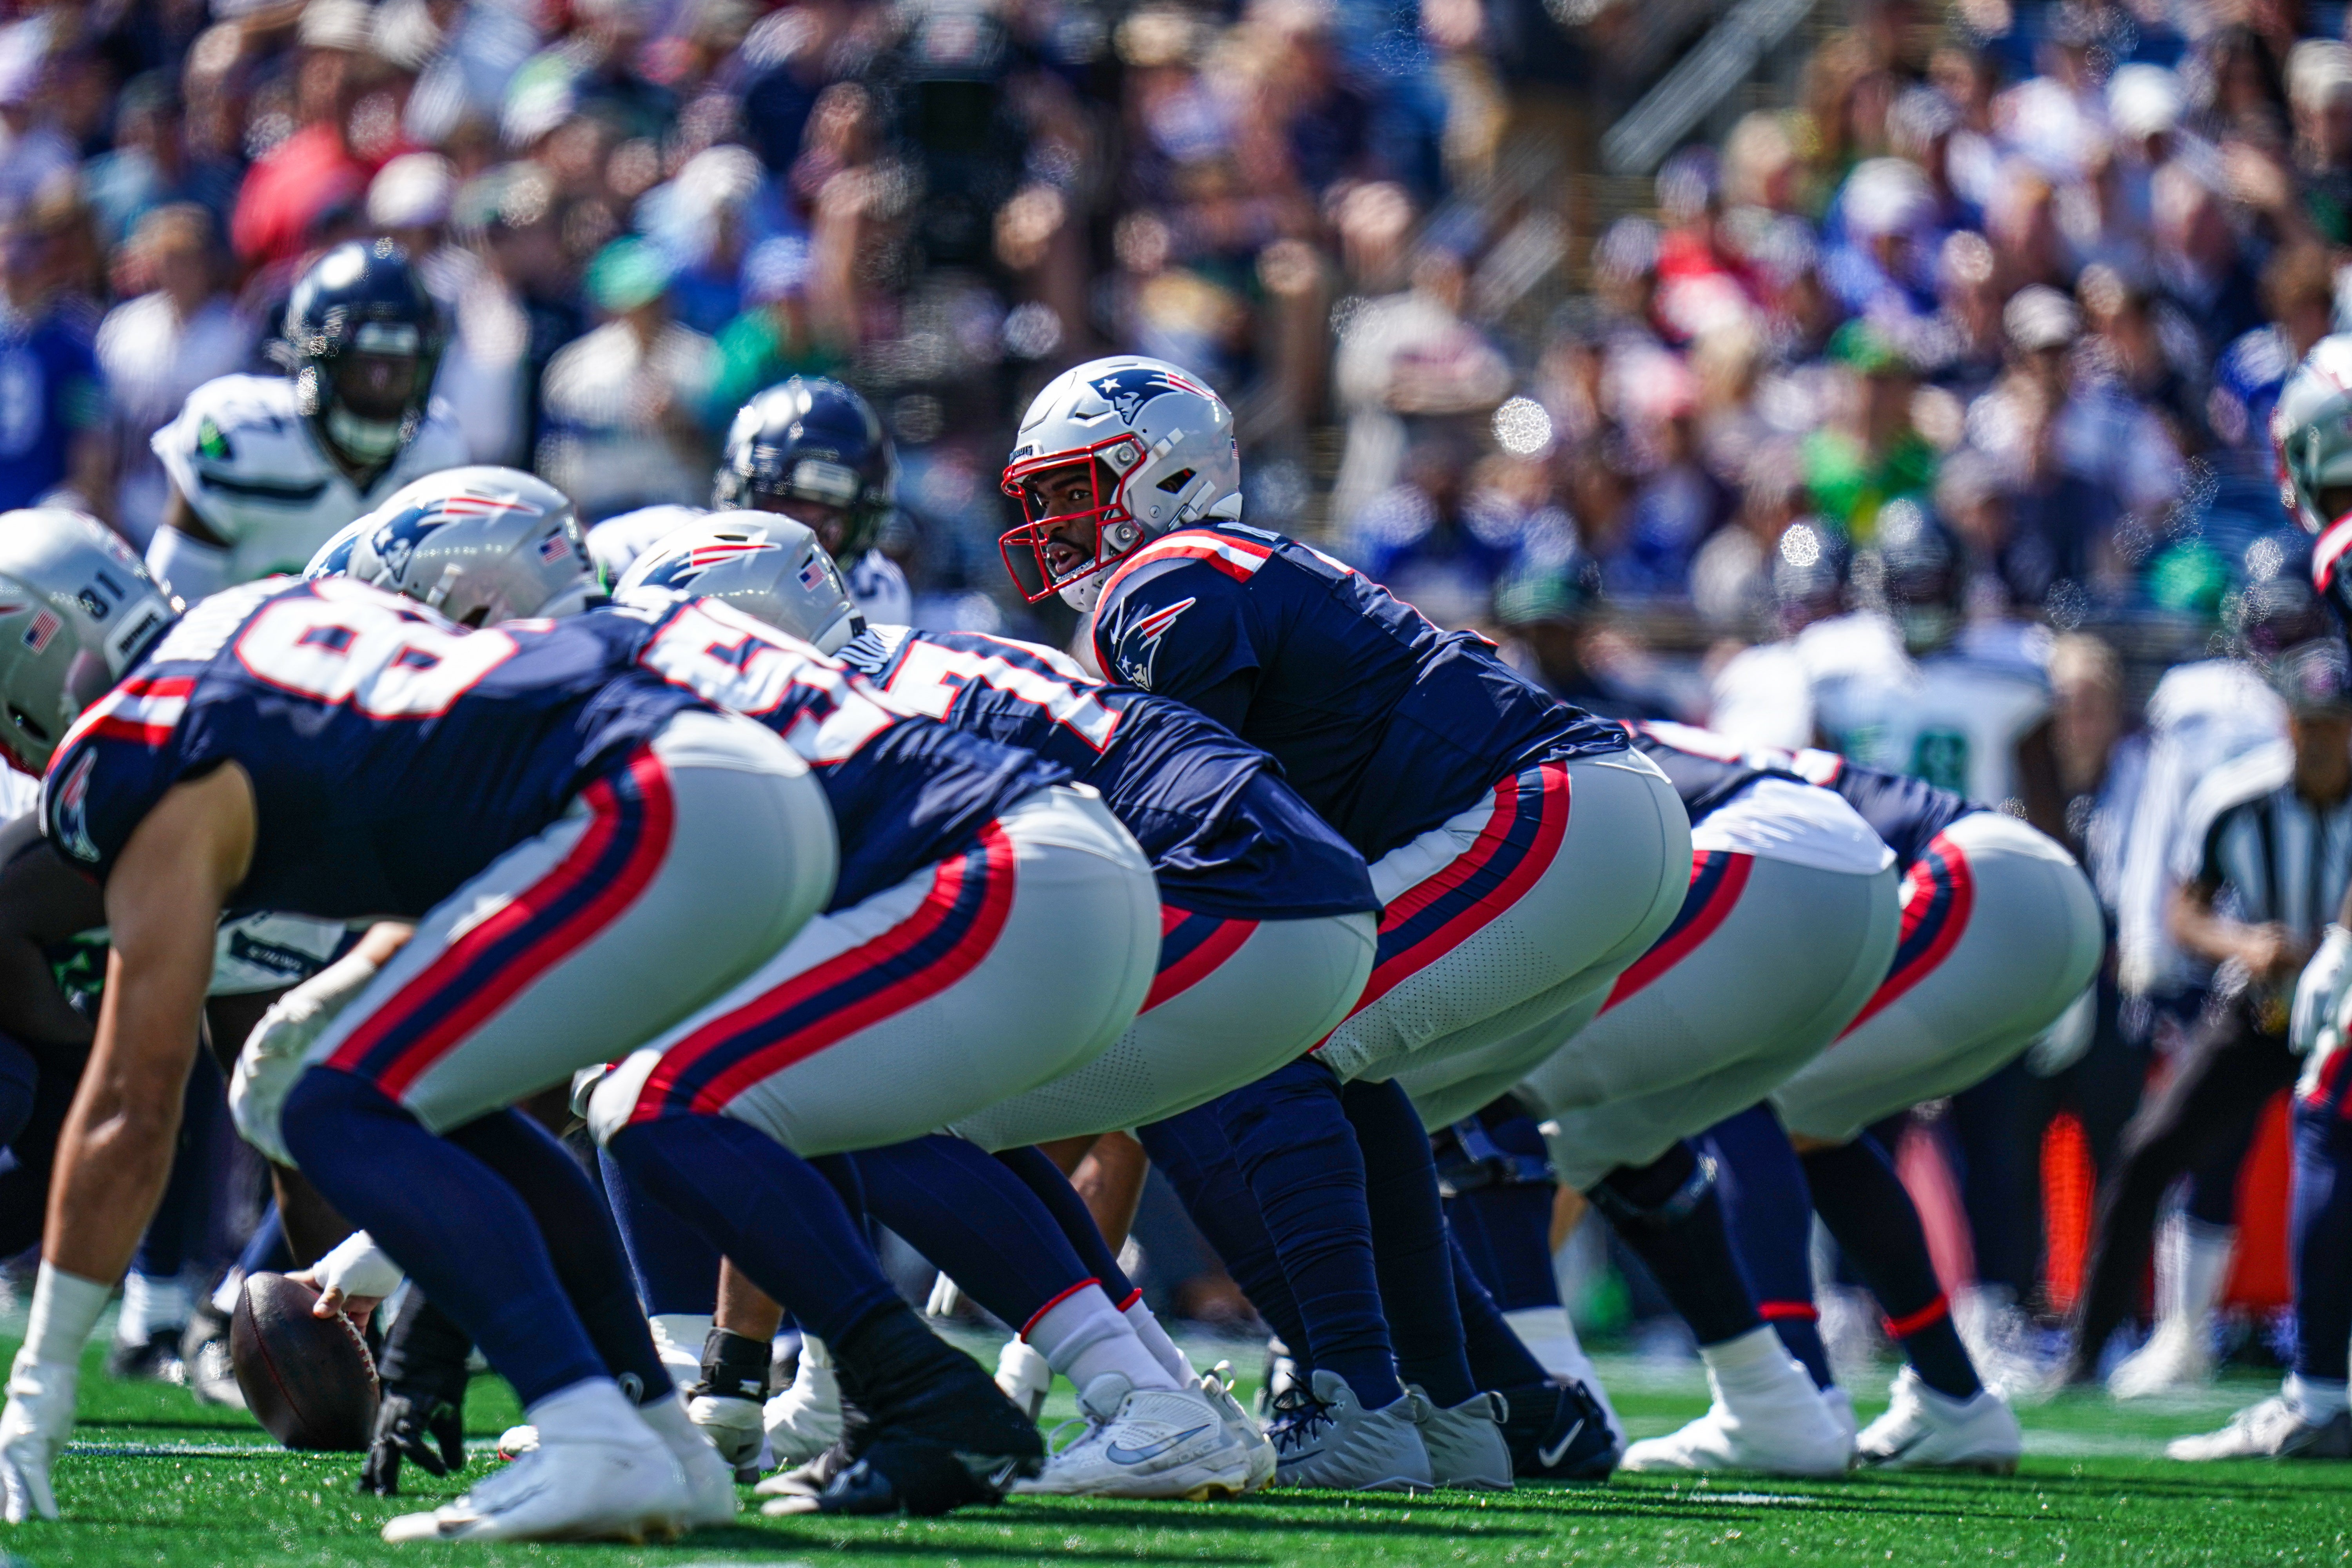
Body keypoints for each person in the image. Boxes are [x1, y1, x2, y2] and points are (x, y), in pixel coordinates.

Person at [0, 503, 840, 1539]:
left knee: (325, 1099)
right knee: (421, 1092)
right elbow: (450, 830)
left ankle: (588, 1427)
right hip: (758, 797)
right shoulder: (273, 618)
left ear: (36, 643)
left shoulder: (145, 738)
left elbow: (137, 1100)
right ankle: (664, 1441)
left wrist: (35, 1394)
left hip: (648, 809)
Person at [1002, 354, 1690, 1489]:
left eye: (1075, 491)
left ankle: (1355, 1400)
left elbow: (1178, 826)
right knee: (1338, 1071)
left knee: (1252, 1039)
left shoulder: (1170, 578)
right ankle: (1447, 1410)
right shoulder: (1237, 562)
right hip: (1579, 820)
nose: (1055, 525)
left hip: (1544, 816)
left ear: (1157, 477)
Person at [144, 238, 465, 599]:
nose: (381, 385)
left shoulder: (436, 448)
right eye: (365, 368)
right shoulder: (244, 436)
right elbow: (171, 611)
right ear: (316, 361)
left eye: (399, 369)